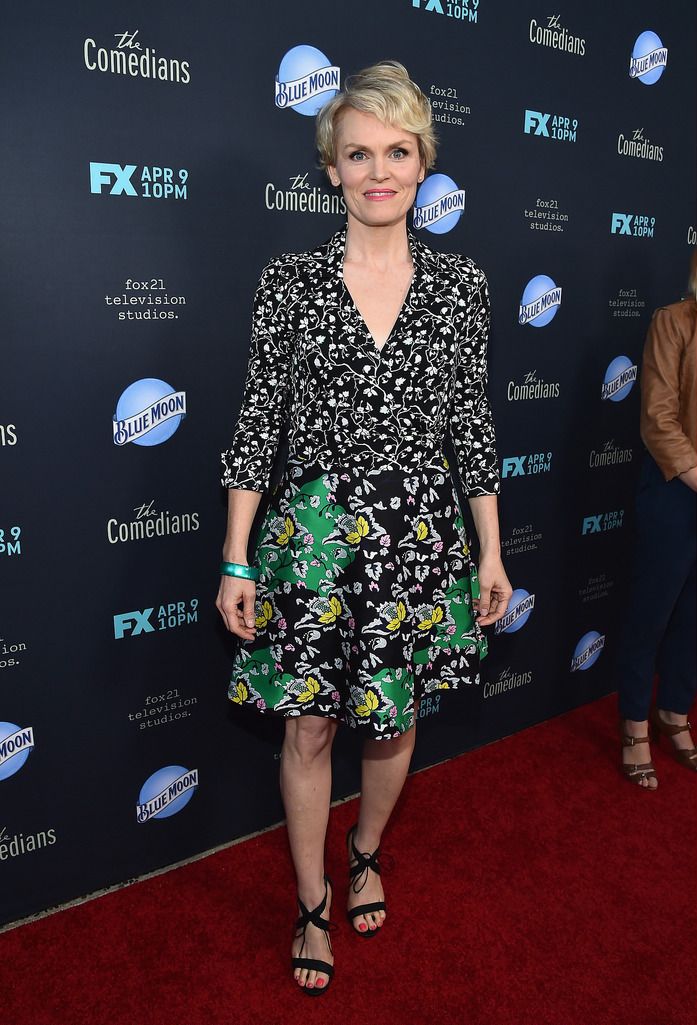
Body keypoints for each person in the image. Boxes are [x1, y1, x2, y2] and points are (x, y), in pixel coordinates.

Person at [216, 60, 512, 993]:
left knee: (391, 726)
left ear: (423, 163)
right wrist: (235, 555)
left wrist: (491, 549)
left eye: (396, 150)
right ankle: (310, 897)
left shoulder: (463, 286)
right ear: (331, 168)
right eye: (357, 153)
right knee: (306, 732)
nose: (377, 170)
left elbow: (471, 423)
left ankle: (368, 847)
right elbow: (259, 420)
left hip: (420, 543)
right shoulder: (290, 281)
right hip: (307, 541)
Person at [616, 249, 697, 789]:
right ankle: (635, 727)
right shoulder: (674, 322)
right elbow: (658, 419)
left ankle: (674, 712)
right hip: (675, 491)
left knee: (694, 616)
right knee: (653, 614)